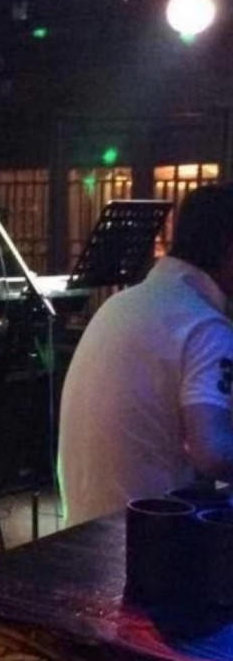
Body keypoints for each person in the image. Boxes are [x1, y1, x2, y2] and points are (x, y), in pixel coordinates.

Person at [58, 183, 233, 528]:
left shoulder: (121, 304)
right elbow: (213, 453)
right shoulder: (204, 326)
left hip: (81, 527)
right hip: (146, 535)